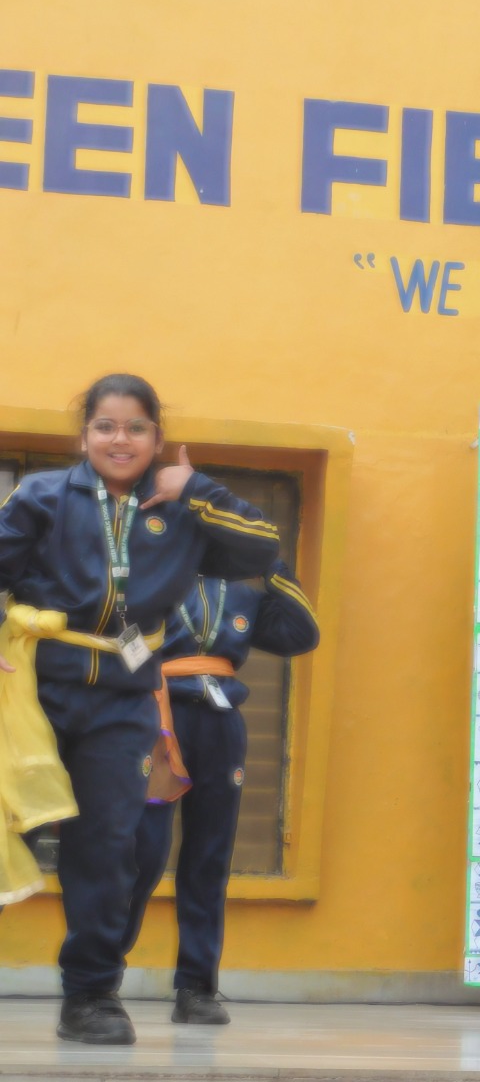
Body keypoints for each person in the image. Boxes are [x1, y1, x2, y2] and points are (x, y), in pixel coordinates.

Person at [0, 374, 279, 1045]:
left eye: (135, 427)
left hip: (125, 700)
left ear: (157, 438)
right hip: (35, 687)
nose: (119, 439)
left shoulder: (183, 511)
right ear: (84, 436)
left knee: (108, 847)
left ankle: (91, 996)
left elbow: (262, 548)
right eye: (105, 426)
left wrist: (200, 491)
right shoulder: (42, 495)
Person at [119, 559, 320, 1024]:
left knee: (210, 857)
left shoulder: (243, 593)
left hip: (222, 722)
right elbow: (117, 631)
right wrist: (139, 682)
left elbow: (300, 634)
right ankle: (101, 975)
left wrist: (273, 565)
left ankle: (197, 988)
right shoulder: (147, 571)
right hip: (156, 716)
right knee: (141, 851)